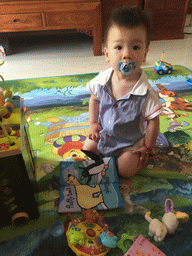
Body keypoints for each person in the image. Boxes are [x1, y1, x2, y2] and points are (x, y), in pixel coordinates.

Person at [83, 6, 163, 178]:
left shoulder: (145, 92)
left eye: (135, 47)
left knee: (125, 170)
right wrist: (93, 124)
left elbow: (154, 122)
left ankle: (134, 158)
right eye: (118, 47)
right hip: (105, 134)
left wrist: (147, 147)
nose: (126, 54)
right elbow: (94, 99)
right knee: (87, 148)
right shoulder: (102, 81)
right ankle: (104, 152)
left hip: (130, 143)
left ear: (144, 54)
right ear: (107, 54)